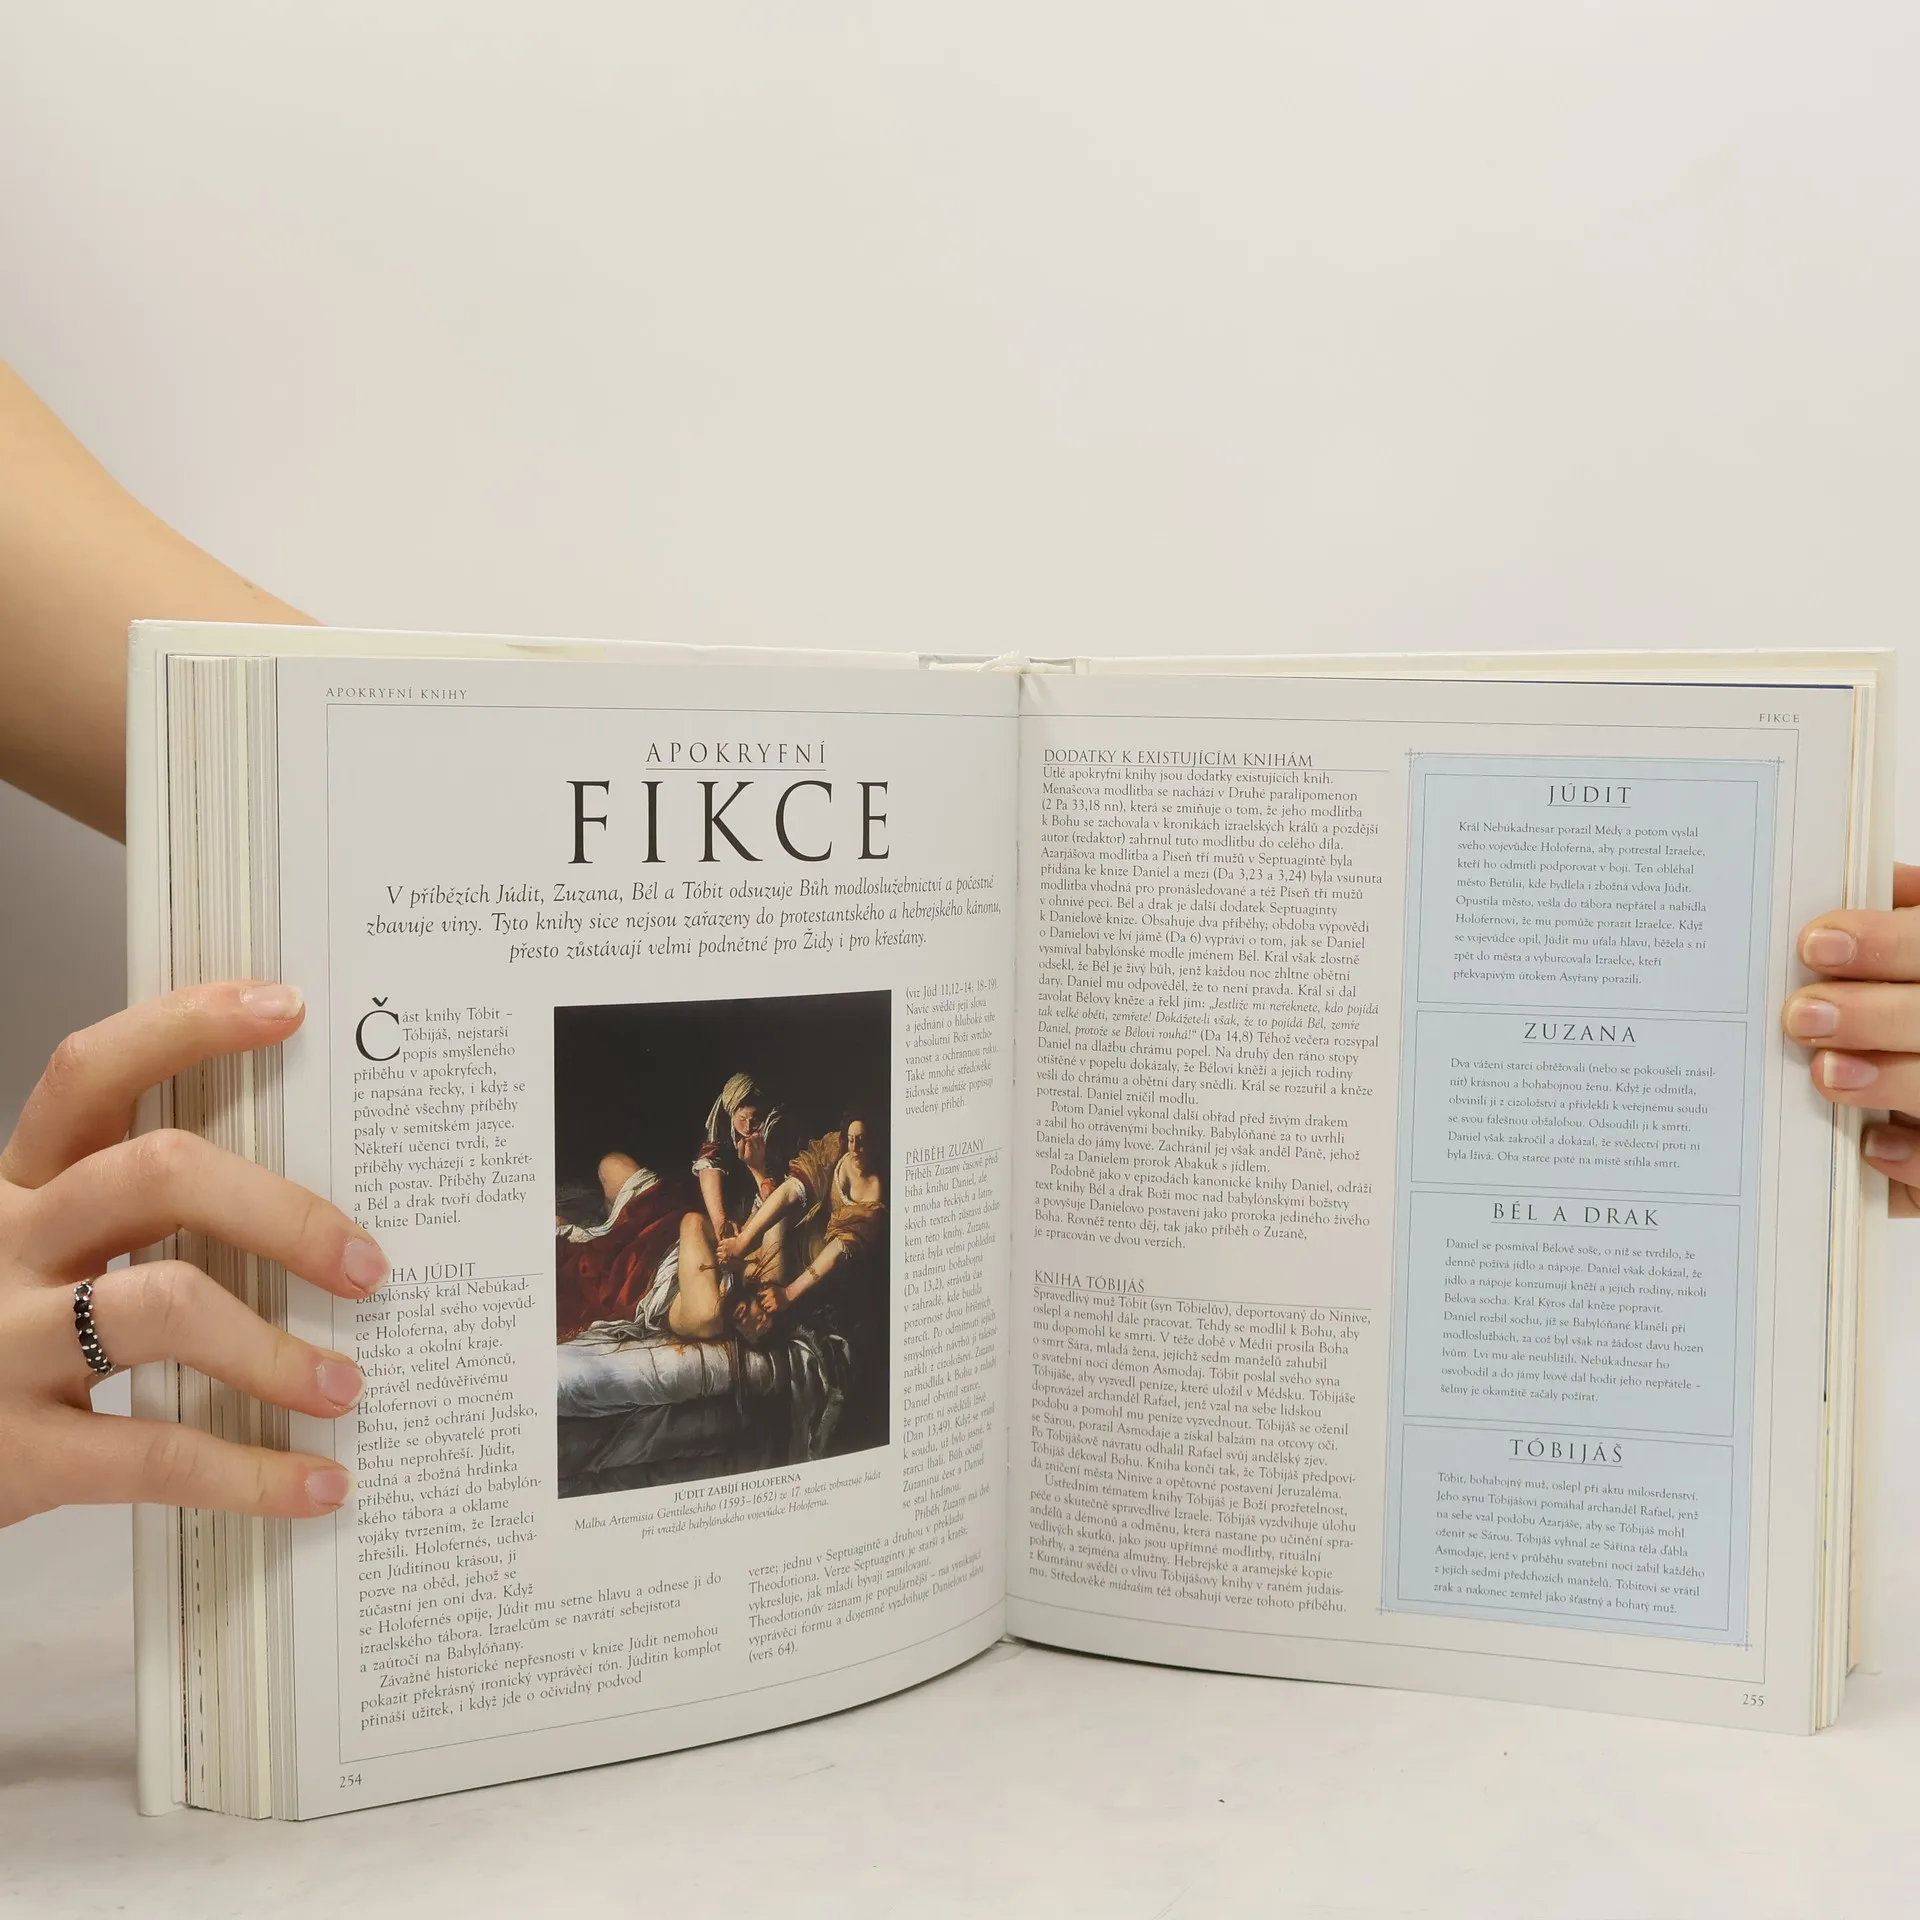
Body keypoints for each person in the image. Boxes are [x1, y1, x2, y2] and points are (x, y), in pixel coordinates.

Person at [0, 355, 1915, 1535]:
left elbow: (315, 762)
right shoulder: (735, 1222)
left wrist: (1784, 1022)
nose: (771, 1153)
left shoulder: (755, 1219)